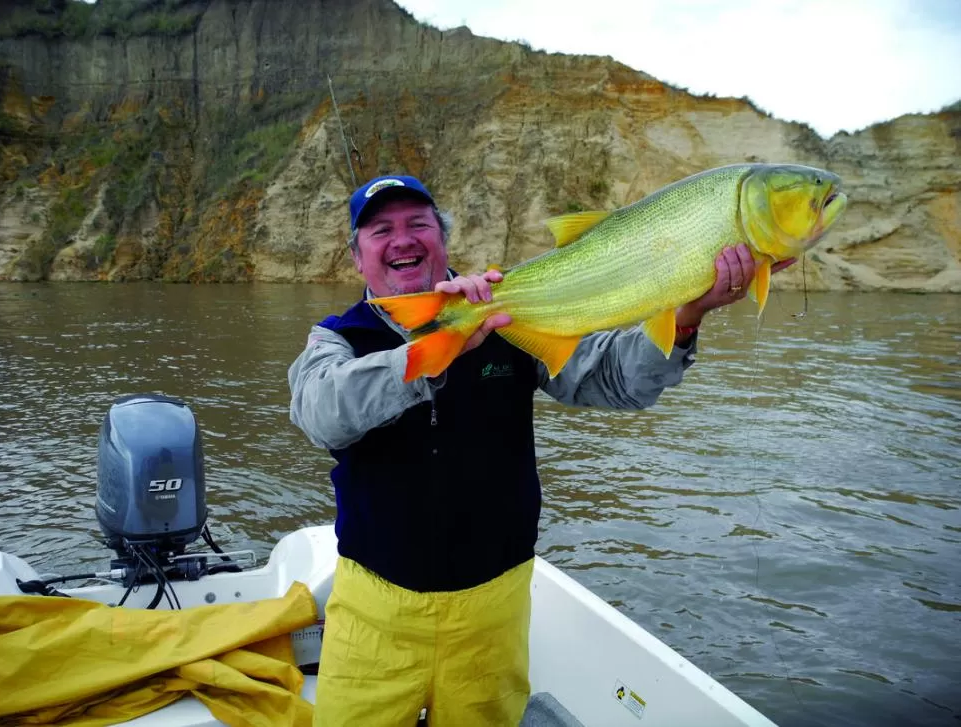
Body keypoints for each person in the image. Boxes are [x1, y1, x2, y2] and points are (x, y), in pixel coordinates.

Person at [287, 174, 794, 727]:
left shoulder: (509, 313)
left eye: (418, 224)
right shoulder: (337, 337)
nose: (402, 239)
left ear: (443, 240)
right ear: (357, 257)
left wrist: (687, 316)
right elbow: (320, 415)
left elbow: (614, 380)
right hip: (373, 612)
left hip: (494, 610)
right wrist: (437, 350)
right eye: (381, 229)